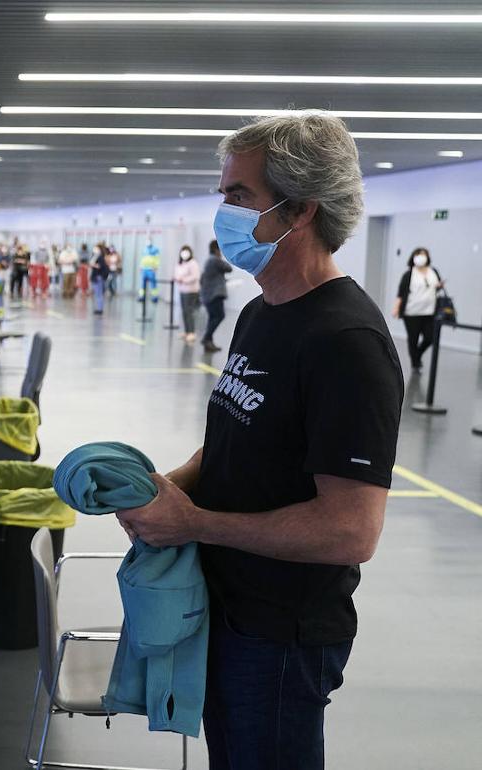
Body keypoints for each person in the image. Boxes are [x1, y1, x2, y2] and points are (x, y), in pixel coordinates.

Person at [113, 113, 403, 770]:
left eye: (238, 196)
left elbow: (351, 530)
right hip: (229, 609)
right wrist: (169, 488)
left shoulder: (345, 344)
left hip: (280, 637)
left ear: (299, 209)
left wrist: (197, 523)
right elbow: (233, 442)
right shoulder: (260, 311)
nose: (223, 211)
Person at [392, 247, 444, 371]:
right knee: (413, 339)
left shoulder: (433, 272)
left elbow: (436, 288)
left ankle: (417, 355)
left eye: (424, 254)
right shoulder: (409, 274)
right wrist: (396, 308)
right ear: (413, 257)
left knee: (430, 337)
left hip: (430, 312)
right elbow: (401, 293)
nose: (421, 257)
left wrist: (439, 286)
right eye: (418, 254)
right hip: (412, 312)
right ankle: (415, 363)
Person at [200, 239, 233, 353]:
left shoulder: (209, 261)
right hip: (214, 295)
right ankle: (206, 338)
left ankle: (209, 342)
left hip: (208, 295)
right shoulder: (215, 260)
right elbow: (229, 268)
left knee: (212, 318)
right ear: (216, 249)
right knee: (220, 316)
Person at [174, 245, 203, 343]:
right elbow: (177, 273)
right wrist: (177, 278)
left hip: (191, 291)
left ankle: (192, 332)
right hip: (182, 290)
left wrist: (184, 280)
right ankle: (186, 331)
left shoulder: (193, 263)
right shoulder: (181, 263)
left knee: (189, 311)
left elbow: (195, 276)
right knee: (184, 311)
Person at [89, 244, 110, 314]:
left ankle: (100, 309)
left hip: (98, 277)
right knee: (97, 294)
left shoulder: (100, 257)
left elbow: (100, 266)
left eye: (96, 248)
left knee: (99, 294)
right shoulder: (95, 256)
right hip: (96, 277)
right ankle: (98, 308)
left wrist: (93, 265)